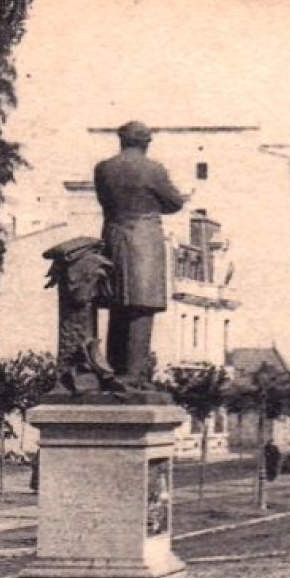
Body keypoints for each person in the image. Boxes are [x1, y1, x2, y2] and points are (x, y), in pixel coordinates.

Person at [94, 121, 187, 387]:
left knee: (117, 305)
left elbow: (104, 200)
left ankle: (113, 368)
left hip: (113, 235)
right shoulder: (153, 169)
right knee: (142, 306)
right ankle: (134, 375)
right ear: (145, 142)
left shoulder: (103, 168)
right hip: (144, 237)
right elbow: (175, 202)